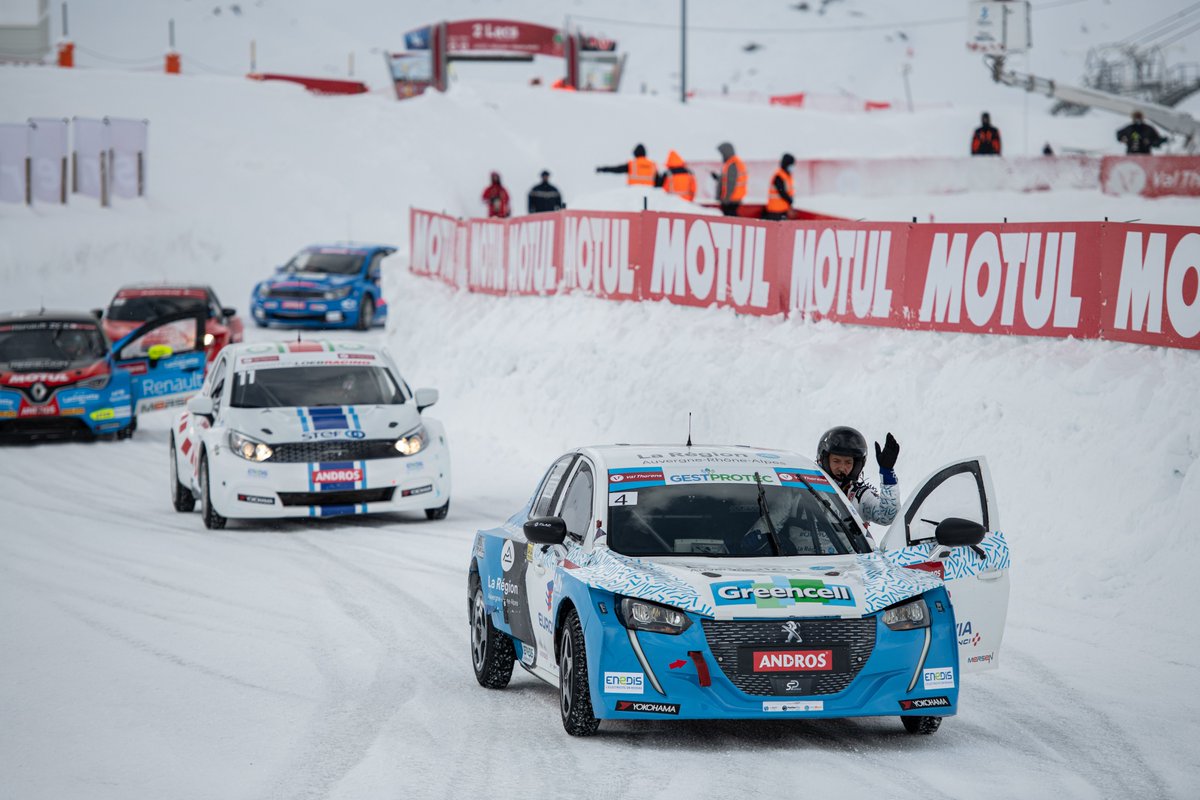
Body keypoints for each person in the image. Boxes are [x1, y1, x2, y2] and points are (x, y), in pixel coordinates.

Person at [816, 426, 900, 528]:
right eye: (836, 461)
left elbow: (887, 517)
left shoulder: (859, 497)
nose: (842, 468)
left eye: (848, 462)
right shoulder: (804, 485)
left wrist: (887, 473)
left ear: (856, 465)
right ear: (824, 460)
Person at [712, 141, 747, 216]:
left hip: (731, 200)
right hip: (733, 199)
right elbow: (727, 180)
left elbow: (731, 183)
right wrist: (718, 178)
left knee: (731, 218)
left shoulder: (732, 164)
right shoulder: (731, 163)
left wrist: (726, 199)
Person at [763, 152, 795, 221]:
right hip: (775, 210)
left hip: (783, 209)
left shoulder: (787, 175)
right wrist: (790, 201)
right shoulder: (779, 176)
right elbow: (782, 192)